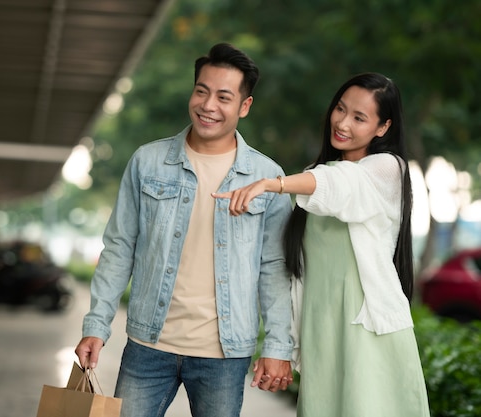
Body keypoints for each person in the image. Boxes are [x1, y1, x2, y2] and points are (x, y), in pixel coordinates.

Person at [74, 43, 294, 417]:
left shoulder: (268, 178)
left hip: (224, 355)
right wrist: (97, 324)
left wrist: (278, 346)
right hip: (148, 345)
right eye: (202, 91)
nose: (208, 105)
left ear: (244, 106)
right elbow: (119, 247)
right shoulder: (148, 161)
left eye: (224, 97)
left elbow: (273, 268)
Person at [213, 72, 431, 416]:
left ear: (383, 127)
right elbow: (292, 270)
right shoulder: (315, 175)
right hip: (321, 331)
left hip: (365, 331)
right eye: (340, 109)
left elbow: (343, 184)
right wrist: (282, 346)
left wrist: (271, 184)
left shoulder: (388, 170)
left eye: (359, 118)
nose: (342, 123)